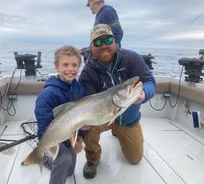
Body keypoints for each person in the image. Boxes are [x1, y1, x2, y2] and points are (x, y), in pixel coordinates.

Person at [79, 24, 156, 179]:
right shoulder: (88, 72)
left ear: (115, 41)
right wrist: (84, 121)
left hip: (128, 120)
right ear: (91, 47)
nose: (104, 45)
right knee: (88, 129)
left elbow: (149, 82)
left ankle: (119, 132)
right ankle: (93, 159)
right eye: (98, 42)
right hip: (102, 117)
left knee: (135, 159)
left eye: (108, 39)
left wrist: (143, 93)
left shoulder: (131, 58)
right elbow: (87, 100)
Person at [34, 45, 86, 184]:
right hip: (52, 137)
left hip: (71, 136)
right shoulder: (48, 94)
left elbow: (82, 118)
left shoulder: (79, 89)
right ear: (57, 67)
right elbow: (44, 126)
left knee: (69, 171)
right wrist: (67, 143)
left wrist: (80, 138)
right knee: (64, 159)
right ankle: (45, 154)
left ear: (79, 67)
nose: (70, 69)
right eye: (65, 64)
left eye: (74, 65)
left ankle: (47, 160)